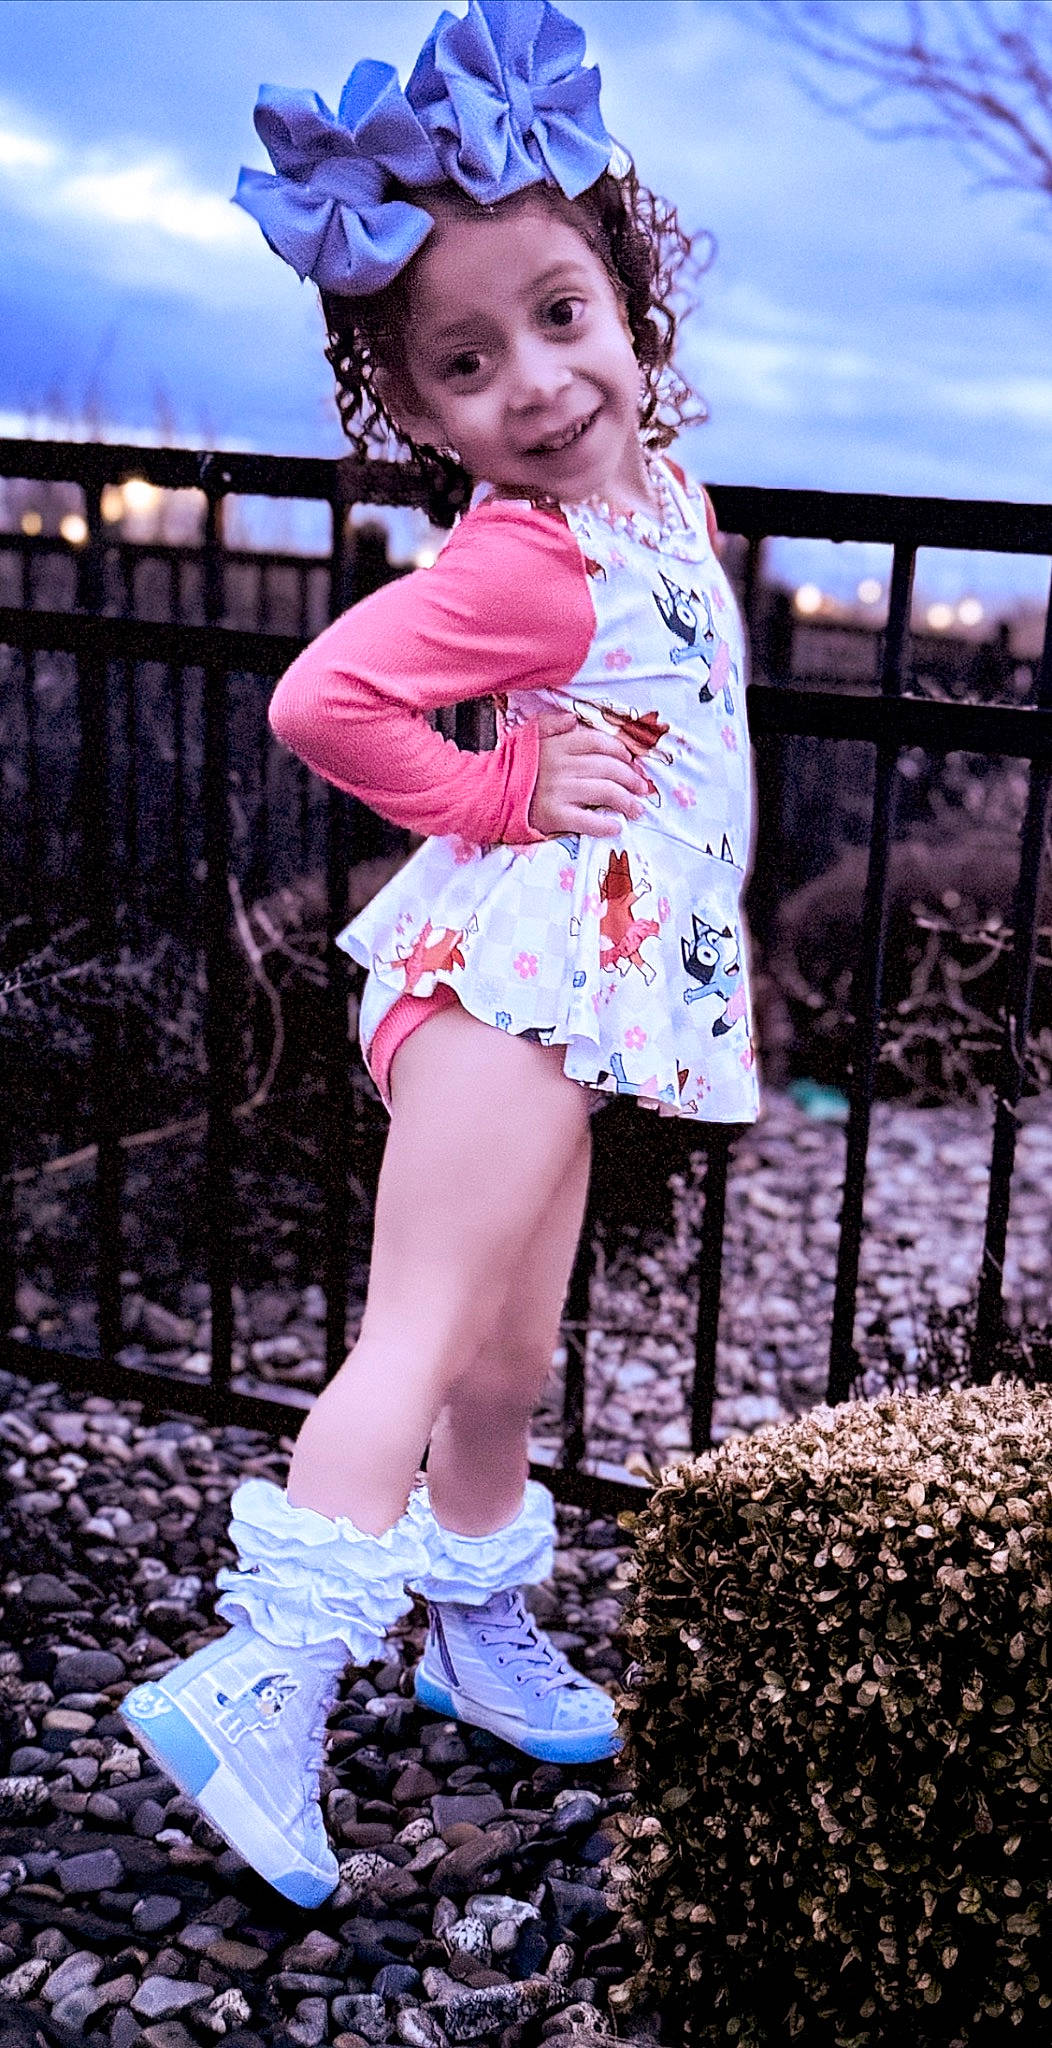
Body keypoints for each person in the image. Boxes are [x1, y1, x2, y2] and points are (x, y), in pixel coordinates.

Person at [121, 0, 760, 1908]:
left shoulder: (655, 501)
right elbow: (325, 702)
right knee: (416, 1341)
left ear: (634, 298)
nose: (538, 384)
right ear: (415, 409)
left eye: (561, 317)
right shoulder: (525, 556)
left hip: (577, 987)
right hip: (504, 985)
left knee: (504, 1352)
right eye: (468, 364)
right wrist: (490, 800)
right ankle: (263, 1685)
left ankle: (480, 1632)